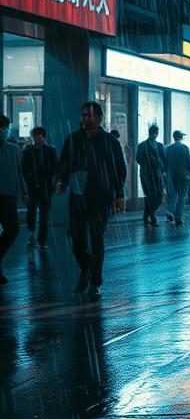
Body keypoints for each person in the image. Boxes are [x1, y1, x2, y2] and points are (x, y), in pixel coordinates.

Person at [56, 102, 127, 299]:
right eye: (83, 115)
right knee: (75, 236)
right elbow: (64, 163)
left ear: (99, 118)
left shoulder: (110, 142)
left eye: (90, 115)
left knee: (96, 239)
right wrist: (61, 180)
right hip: (78, 195)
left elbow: (119, 169)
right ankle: (86, 267)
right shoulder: (73, 140)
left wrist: (119, 194)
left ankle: (95, 281)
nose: (85, 119)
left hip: (101, 197)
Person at [22, 126, 58, 249]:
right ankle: (31, 234)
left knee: (44, 214)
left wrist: (53, 183)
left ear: (43, 137)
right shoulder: (28, 151)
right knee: (31, 213)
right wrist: (26, 188)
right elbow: (24, 170)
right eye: (35, 137)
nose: (37, 139)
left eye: (39, 137)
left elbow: (55, 168)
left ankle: (41, 240)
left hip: (45, 188)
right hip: (32, 187)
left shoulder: (50, 151)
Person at [0, 115, 25, 285]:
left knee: (13, 229)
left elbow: (20, 172)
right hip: (7, 195)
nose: (4, 131)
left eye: (6, 128)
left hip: (8, 195)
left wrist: (24, 192)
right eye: (3, 128)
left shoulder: (14, 149)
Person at [135, 125, 165, 227]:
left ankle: (146, 214)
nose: (154, 134)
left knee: (158, 194)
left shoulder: (159, 146)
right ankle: (153, 217)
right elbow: (138, 159)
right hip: (147, 174)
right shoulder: (143, 145)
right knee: (151, 194)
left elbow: (163, 159)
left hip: (157, 173)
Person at [165, 131, 190, 226]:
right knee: (182, 196)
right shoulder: (185, 148)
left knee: (173, 195)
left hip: (172, 175)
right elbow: (189, 162)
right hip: (183, 175)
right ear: (181, 137)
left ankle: (170, 211)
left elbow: (166, 162)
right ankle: (178, 217)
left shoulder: (168, 149)